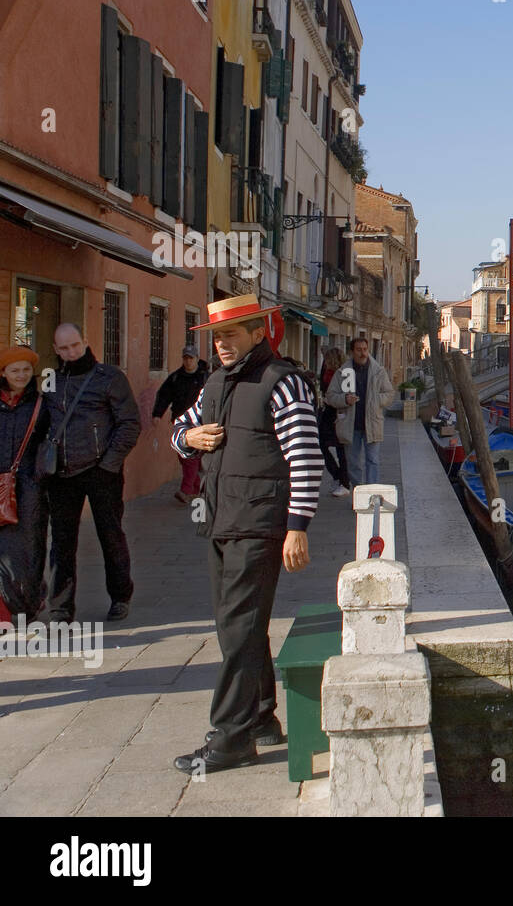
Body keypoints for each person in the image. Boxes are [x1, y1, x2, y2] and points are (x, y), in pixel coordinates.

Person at [170, 295, 322, 775]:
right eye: (216, 337)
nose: (221, 345)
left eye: (230, 335)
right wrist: (188, 440)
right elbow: (181, 428)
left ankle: (230, 738)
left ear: (258, 333)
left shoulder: (283, 384)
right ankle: (260, 719)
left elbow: (306, 458)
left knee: (238, 630)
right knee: (237, 627)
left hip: (259, 526)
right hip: (221, 521)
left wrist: (297, 527)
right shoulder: (215, 383)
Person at [44, 322, 141, 624]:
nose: (71, 352)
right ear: (56, 350)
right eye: (64, 348)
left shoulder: (110, 378)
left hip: (102, 471)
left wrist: (109, 464)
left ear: (85, 341)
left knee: (110, 536)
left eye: (75, 345)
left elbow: (129, 424)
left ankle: (121, 596)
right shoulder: (50, 380)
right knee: (61, 542)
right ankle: (61, 607)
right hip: (61, 474)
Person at [0, 346, 50, 622]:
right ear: (3, 373)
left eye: (26, 370)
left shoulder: (41, 405)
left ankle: (26, 606)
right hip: (0, 488)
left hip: (30, 489)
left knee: (28, 549)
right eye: (14, 370)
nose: (21, 375)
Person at [325, 337, 394, 488]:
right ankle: (359, 490)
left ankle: (371, 492)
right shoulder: (343, 372)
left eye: (365, 349)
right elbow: (330, 396)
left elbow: (389, 394)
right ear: (352, 352)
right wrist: (345, 399)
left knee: (373, 460)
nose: (363, 353)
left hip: (372, 423)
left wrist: (375, 399)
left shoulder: (378, 372)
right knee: (353, 462)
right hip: (351, 425)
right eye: (359, 350)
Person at [152, 344, 209, 504]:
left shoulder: (206, 377)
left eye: (191, 358)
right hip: (180, 423)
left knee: (191, 458)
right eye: (185, 358)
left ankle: (185, 490)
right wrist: (157, 414)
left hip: (200, 423)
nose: (188, 362)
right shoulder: (176, 378)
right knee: (184, 456)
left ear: (197, 359)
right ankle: (196, 488)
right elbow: (164, 396)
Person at [318, 347, 350, 497]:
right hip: (327, 413)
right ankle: (338, 476)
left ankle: (344, 482)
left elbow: (346, 395)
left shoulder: (344, 374)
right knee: (322, 445)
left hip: (338, 414)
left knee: (340, 449)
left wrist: (330, 399)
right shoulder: (325, 369)